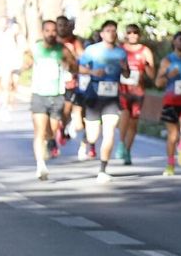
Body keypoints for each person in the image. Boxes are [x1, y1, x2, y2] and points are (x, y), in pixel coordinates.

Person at [21, 19, 72, 180]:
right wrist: (25, 63)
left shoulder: (62, 50)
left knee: (52, 130)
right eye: (47, 30)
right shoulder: (35, 49)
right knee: (39, 132)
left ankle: (51, 140)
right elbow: (26, 63)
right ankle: (40, 166)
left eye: (53, 30)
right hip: (39, 95)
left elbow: (73, 66)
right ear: (43, 32)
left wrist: (67, 64)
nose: (51, 33)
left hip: (56, 95)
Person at [77, 20, 127, 182]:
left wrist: (125, 68)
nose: (111, 33)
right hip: (94, 95)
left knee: (110, 131)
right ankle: (86, 141)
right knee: (93, 135)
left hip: (112, 97)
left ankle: (103, 169)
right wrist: (92, 71)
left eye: (114, 30)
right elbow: (79, 68)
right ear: (102, 33)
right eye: (108, 30)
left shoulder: (121, 53)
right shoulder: (92, 50)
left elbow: (126, 75)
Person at [153, 31, 181, 176]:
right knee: (172, 135)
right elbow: (158, 82)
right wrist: (168, 75)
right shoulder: (168, 61)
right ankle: (170, 165)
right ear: (174, 42)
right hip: (171, 101)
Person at [114, 23, 155, 166]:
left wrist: (147, 65)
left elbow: (152, 75)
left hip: (138, 91)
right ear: (126, 34)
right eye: (129, 32)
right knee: (124, 114)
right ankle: (120, 143)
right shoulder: (120, 50)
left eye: (135, 32)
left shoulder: (145, 51)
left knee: (133, 123)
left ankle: (127, 150)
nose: (132, 35)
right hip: (123, 89)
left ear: (139, 35)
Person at [56, 15, 84, 150]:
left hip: (69, 81)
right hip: (52, 82)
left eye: (64, 25)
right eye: (59, 25)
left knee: (67, 109)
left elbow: (82, 56)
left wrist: (73, 59)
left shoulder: (74, 41)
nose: (62, 28)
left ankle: (63, 126)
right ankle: (54, 133)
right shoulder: (52, 41)